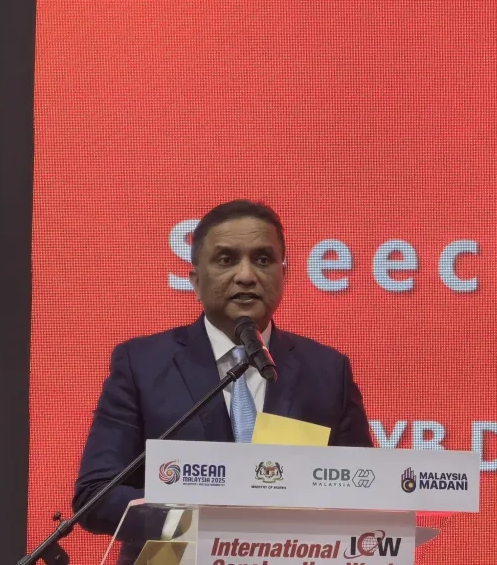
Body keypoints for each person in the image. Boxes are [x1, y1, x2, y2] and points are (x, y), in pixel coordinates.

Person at [72, 199, 373, 541]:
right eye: (227, 260)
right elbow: (95, 496)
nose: (246, 276)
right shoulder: (142, 364)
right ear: (196, 280)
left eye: (263, 260)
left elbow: (366, 491)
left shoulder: (328, 371)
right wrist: (198, 521)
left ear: (284, 275)